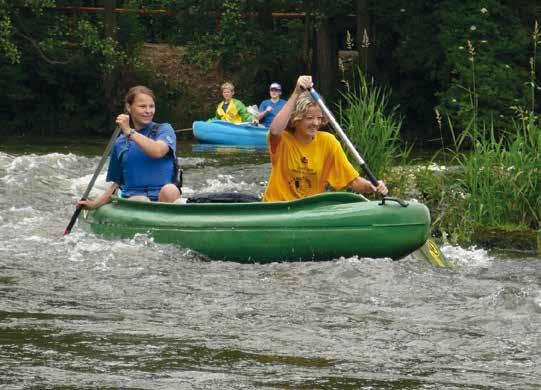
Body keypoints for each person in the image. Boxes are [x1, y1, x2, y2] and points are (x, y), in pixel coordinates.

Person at [262, 75, 388, 202]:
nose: (316, 123)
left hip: (308, 210)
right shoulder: (283, 139)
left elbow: (353, 181)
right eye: (309, 118)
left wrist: (371, 186)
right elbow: (274, 130)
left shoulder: (328, 142)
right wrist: (296, 93)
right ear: (296, 119)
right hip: (278, 207)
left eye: (319, 118)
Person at [78, 85, 181, 210]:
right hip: (134, 197)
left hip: (164, 198)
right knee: (142, 200)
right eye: (142, 106)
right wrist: (93, 205)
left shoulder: (164, 129)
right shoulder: (120, 142)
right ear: (129, 107)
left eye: (151, 106)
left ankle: (169, 222)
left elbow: (158, 151)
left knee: (170, 190)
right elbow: (116, 185)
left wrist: (129, 132)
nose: (148, 111)